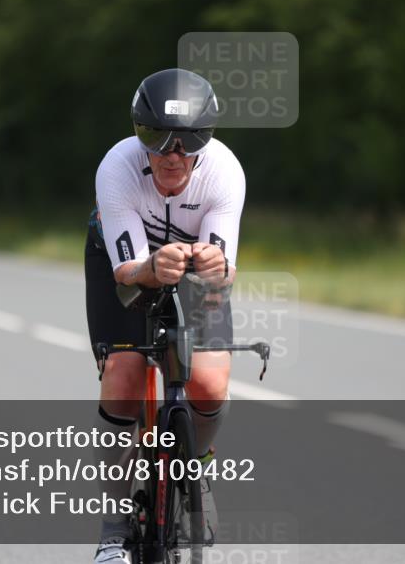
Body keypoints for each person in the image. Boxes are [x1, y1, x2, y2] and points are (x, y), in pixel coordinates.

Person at [85, 68, 245, 563]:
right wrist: (153, 266)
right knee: (124, 374)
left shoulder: (225, 171)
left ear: (206, 142)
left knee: (211, 381)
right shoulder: (117, 167)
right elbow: (127, 272)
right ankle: (113, 530)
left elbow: (222, 270)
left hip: (194, 266)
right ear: (140, 137)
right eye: (157, 138)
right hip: (127, 262)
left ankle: (197, 467)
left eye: (188, 142)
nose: (173, 155)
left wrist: (215, 270)